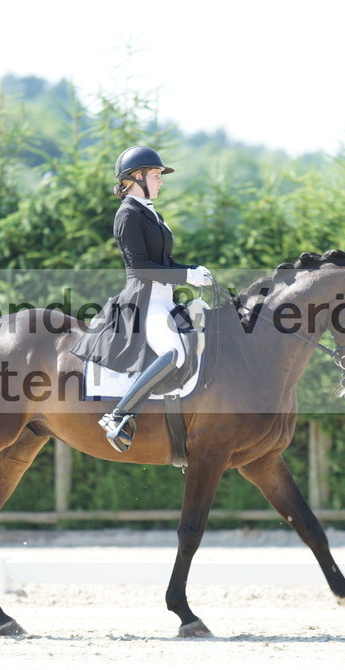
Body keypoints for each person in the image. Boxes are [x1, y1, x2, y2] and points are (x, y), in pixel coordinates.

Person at [70, 145, 212, 452]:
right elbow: (141, 268)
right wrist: (187, 277)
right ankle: (119, 416)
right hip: (145, 302)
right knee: (174, 352)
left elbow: (162, 263)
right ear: (137, 176)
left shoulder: (150, 212)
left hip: (166, 300)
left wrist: (194, 271)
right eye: (157, 174)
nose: (161, 180)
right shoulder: (127, 214)